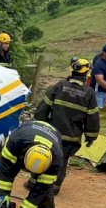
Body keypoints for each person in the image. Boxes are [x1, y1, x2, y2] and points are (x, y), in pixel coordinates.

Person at [33, 58, 100, 193]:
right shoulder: (89, 93)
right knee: (61, 161)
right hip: (72, 137)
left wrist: (39, 125)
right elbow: (92, 117)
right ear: (86, 74)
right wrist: (91, 136)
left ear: (72, 70)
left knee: (43, 155)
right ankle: (55, 187)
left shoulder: (59, 86)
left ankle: (34, 182)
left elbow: (43, 108)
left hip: (52, 133)